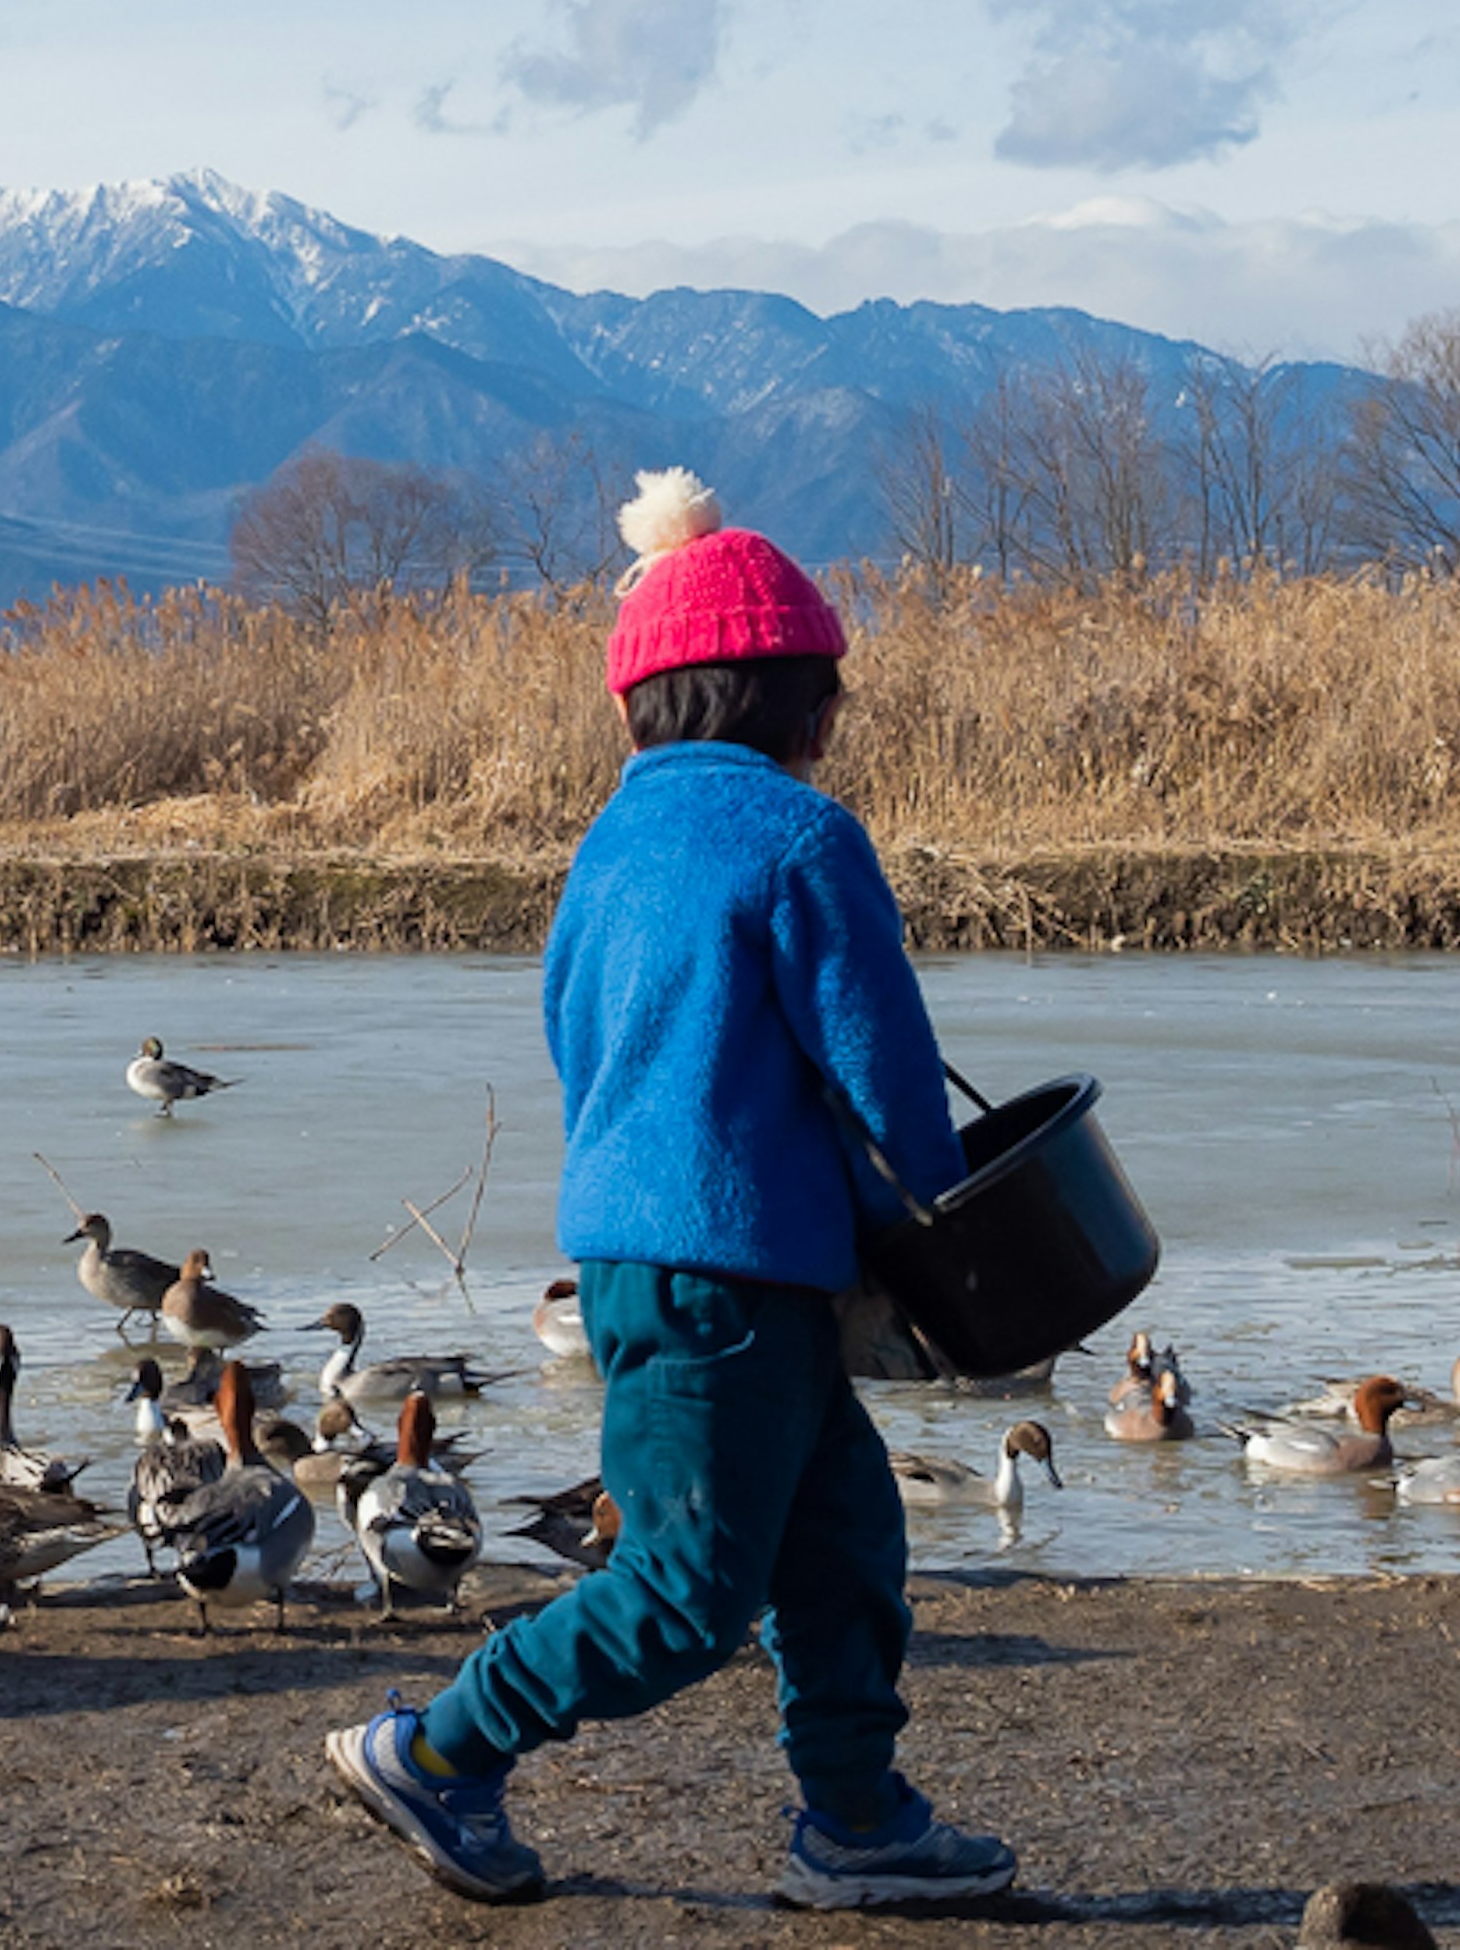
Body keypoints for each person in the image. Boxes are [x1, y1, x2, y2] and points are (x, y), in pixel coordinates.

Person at [324, 467, 1016, 1912]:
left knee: (842, 1543)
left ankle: (860, 1821)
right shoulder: (802, 839)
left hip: (646, 1257)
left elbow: (587, 1046)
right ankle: (437, 1750)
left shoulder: (608, 849)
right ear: (797, 706)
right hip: (737, 1271)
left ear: (643, 704)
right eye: (829, 698)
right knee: (688, 1591)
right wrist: (948, 1231)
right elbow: (885, 1068)